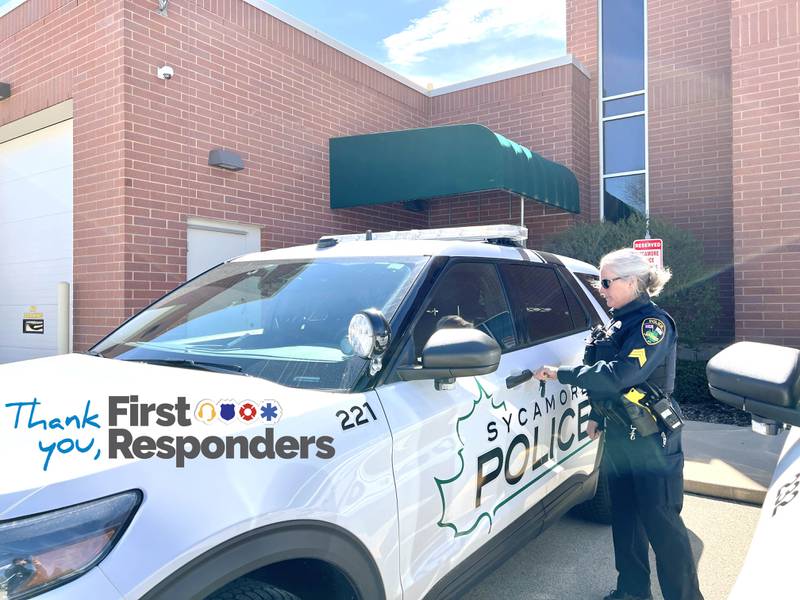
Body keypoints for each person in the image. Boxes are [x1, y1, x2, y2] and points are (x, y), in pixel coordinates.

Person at [533, 248, 703, 600]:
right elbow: (605, 376)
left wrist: (562, 374)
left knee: (662, 526)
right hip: (619, 436)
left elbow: (621, 375)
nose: (601, 288)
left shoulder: (652, 325)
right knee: (625, 521)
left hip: (652, 440)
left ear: (632, 282)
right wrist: (596, 416)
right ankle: (632, 593)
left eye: (606, 281)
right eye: (600, 281)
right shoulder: (617, 322)